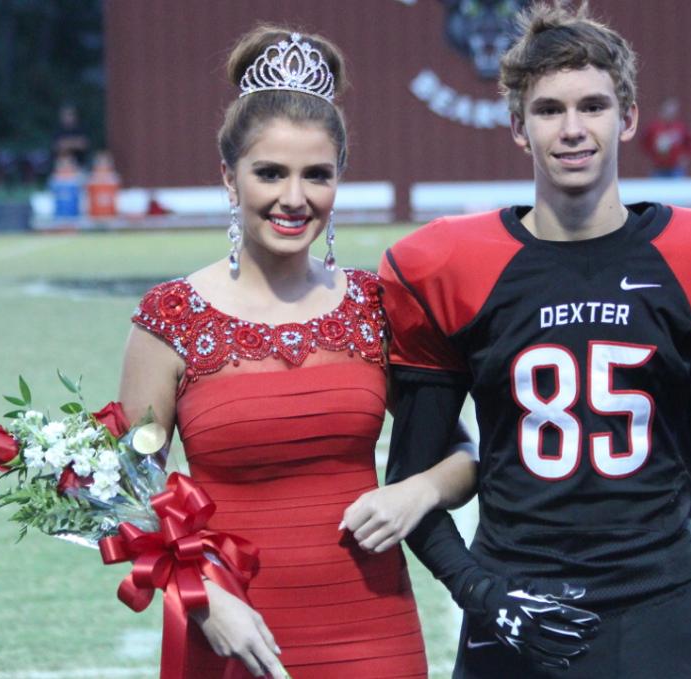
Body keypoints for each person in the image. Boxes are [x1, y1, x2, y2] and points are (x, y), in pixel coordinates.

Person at [381, 2, 691, 678]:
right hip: (514, 606)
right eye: (548, 109)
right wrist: (484, 593)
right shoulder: (455, 269)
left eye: (593, 105)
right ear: (517, 125)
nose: (572, 129)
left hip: (661, 608)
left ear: (627, 117)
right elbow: (409, 484)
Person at [118, 26, 477, 679]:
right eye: (270, 173)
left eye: (317, 174)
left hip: (373, 630)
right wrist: (204, 599)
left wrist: (416, 490)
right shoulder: (169, 317)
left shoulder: (378, 305)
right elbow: (126, 485)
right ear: (229, 179)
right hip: (232, 630)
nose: (294, 197)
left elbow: (466, 454)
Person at [641, 96, 691, 177]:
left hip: (676, 168)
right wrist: (652, 156)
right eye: (668, 109)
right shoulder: (654, 128)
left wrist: (686, 157)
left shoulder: (680, 127)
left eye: (673, 110)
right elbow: (644, 143)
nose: (670, 113)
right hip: (658, 168)